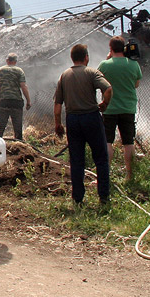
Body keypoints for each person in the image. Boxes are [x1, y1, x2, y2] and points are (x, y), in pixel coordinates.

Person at [54, 44, 113, 205]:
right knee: (100, 158)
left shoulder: (64, 75)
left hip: (72, 120)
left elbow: (58, 104)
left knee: (77, 160)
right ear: (86, 57)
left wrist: (58, 124)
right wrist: (104, 104)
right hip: (91, 117)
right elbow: (108, 89)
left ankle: (78, 198)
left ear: (72, 58)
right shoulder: (92, 72)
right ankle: (104, 197)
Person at [97, 36, 142, 181]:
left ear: (110, 48)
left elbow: (98, 81)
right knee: (128, 142)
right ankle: (130, 175)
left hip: (109, 108)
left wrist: (108, 59)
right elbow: (136, 84)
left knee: (108, 141)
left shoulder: (104, 64)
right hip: (128, 108)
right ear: (124, 48)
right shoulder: (134, 64)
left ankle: (106, 175)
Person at [0, 53, 32, 140]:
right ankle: (19, 146)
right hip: (16, 102)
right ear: (15, 62)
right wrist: (28, 101)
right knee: (18, 128)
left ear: (7, 61)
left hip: (4, 102)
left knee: (0, 128)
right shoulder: (19, 71)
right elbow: (24, 86)